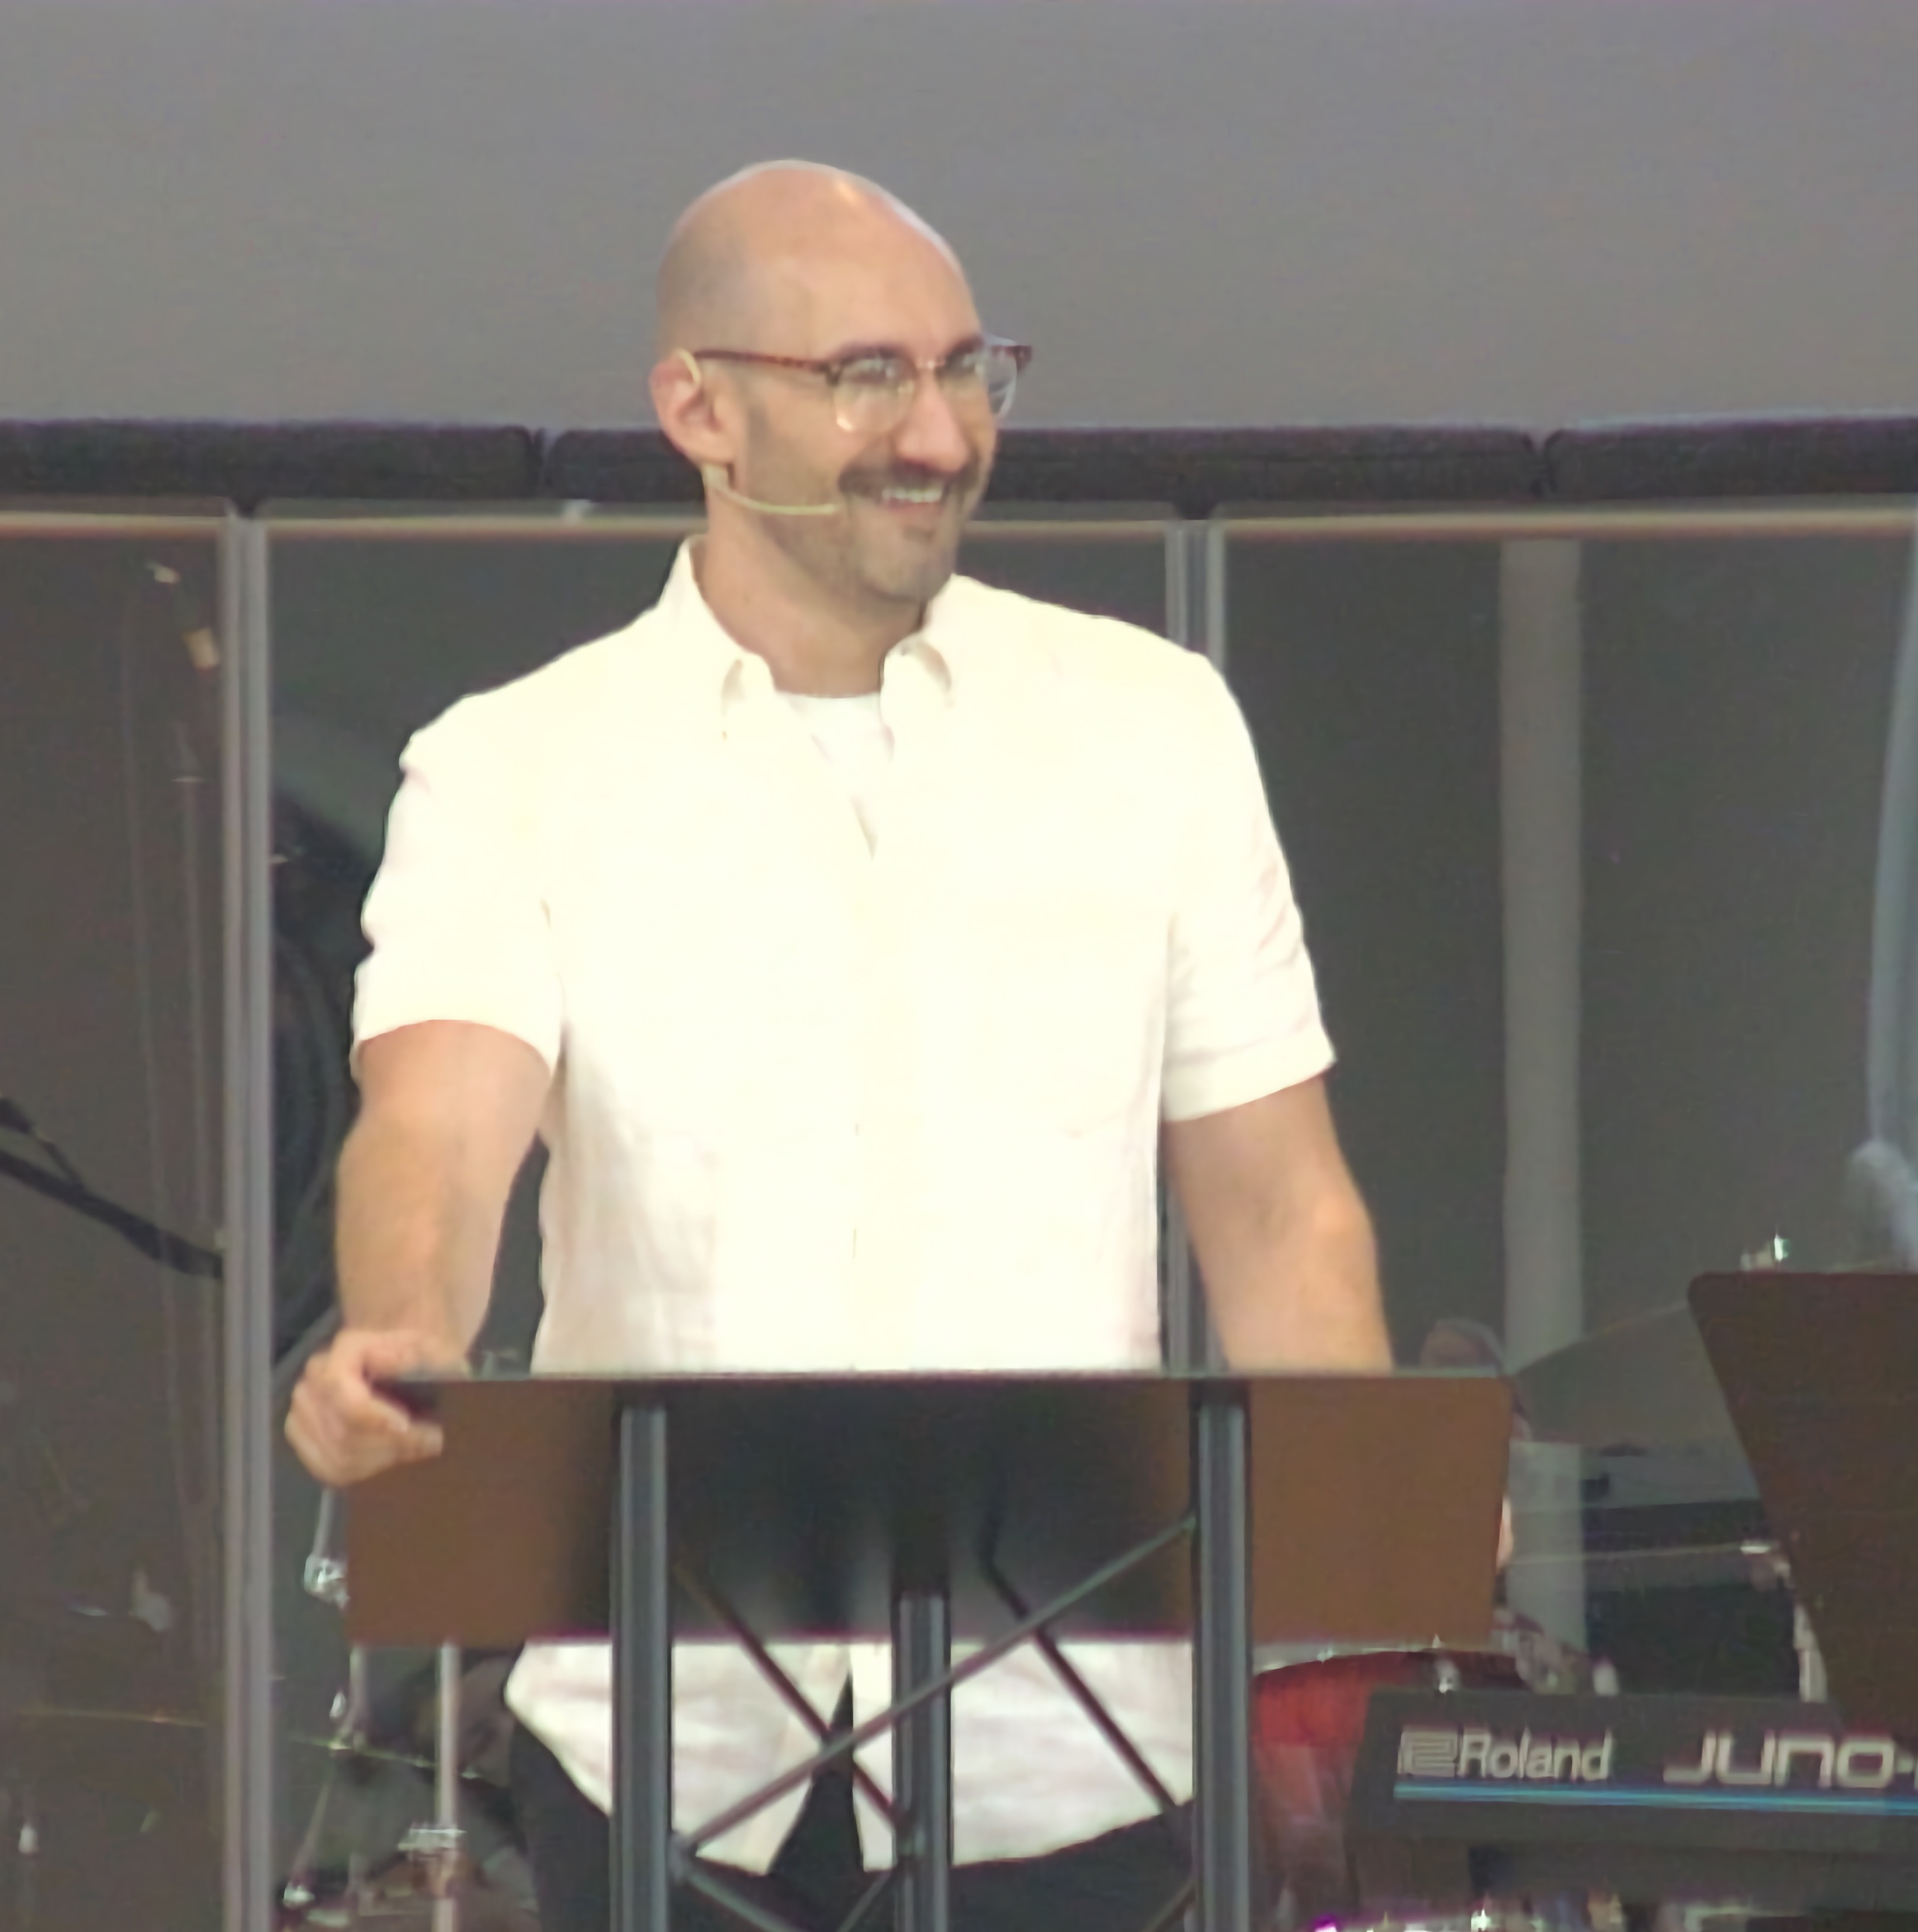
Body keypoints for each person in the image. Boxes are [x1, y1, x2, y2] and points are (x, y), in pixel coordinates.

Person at [282, 160, 1391, 1932]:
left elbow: (1278, 1210)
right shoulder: (516, 765)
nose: (939, 434)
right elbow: (437, 1121)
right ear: (698, 410)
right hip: (661, 1758)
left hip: (1084, 1766)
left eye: (966, 370)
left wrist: (1364, 1569)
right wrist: (402, 1335)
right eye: (867, 376)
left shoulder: (1154, 729)